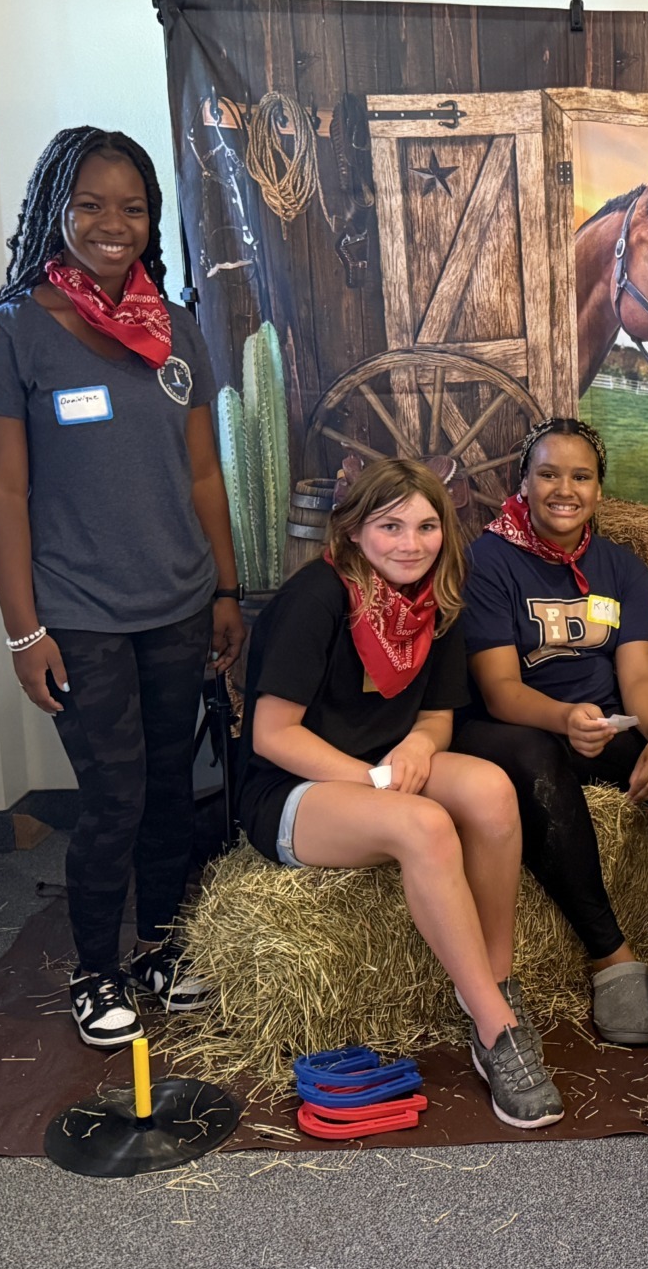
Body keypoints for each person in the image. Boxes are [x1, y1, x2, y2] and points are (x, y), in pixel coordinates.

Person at [0, 127, 246, 1048]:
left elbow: (203, 474)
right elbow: (2, 496)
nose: (111, 225)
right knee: (115, 794)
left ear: (151, 220)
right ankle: (97, 970)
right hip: (78, 615)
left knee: (169, 787)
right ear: (58, 210)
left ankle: (159, 945)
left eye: (132, 208)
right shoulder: (11, 334)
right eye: (89, 205)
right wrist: (23, 633)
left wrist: (226, 590)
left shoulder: (175, 329)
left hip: (178, 604)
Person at [237, 459, 562, 1129]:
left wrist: (418, 746)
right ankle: (499, 1031)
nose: (411, 544)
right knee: (425, 825)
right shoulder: (316, 598)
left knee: (492, 791)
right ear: (353, 531)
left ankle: (493, 987)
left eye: (426, 526)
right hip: (295, 788)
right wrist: (374, 783)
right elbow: (271, 735)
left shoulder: (436, 599)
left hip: (382, 768)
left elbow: (437, 717)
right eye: (390, 527)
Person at [454, 416, 648, 1046]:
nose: (564, 490)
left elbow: (638, 674)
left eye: (581, 476)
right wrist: (564, 719)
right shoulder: (488, 561)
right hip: (512, 728)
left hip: (599, 724)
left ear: (598, 489)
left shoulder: (620, 567)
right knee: (537, 760)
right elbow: (498, 689)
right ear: (523, 482)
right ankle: (609, 955)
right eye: (548, 474)